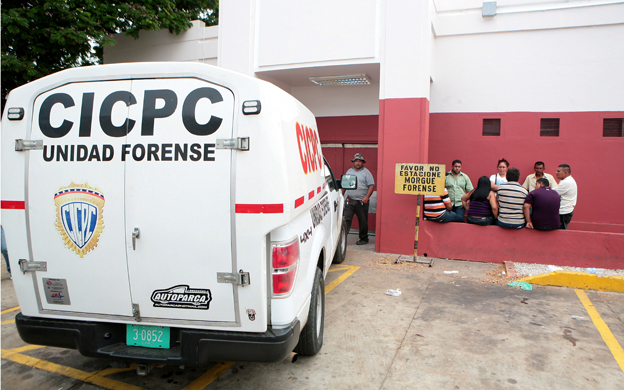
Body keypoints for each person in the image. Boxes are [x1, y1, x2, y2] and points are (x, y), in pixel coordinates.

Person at [342, 153, 375, 245]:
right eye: (356, 161)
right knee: (346, 219)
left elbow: (371, 186)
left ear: (363, 162)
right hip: (350, 200)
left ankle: (364, 239)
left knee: (363, 220)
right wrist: (341, 195)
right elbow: (345, 184)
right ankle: (343, 238)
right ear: (353, 162)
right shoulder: (349, 171)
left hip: (361, 201)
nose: (358, 163)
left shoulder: (366, 173)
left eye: (360, 161)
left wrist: (367, 197)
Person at [554, 164, 577, 229]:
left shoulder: (567, 182)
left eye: (558, 171)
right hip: (564, 211)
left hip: (563, 212)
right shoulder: (566, 180)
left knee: (560, 233)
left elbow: (552, 193)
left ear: (565, 173)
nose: (556, 173)